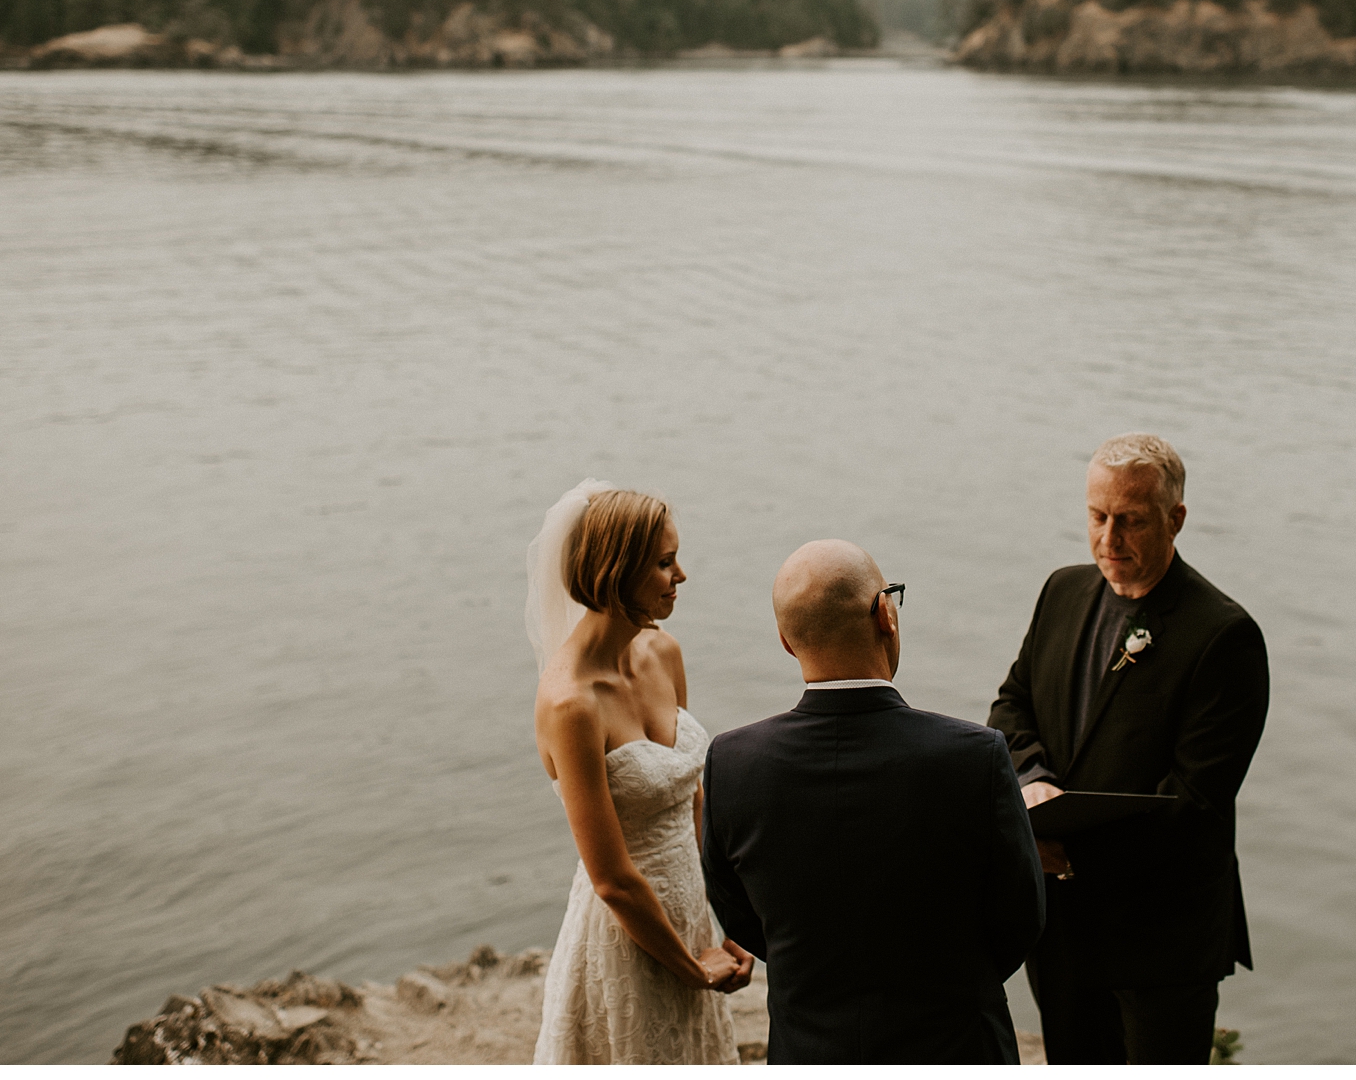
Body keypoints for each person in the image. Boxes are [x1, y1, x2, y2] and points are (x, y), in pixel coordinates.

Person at [701, 539, 1046, 1064]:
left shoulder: (733, 762)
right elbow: (1021, 914)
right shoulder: (973, 756)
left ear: (786, 641)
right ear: (885, 613)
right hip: (953, 1043)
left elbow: (741, 916)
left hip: (809, 1049)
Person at [988, 433, 1269, 1064]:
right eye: (1097, 517)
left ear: (1176, 519)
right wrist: (1031, 779)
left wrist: (1070, 853)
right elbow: (1012, 707)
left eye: (1131, 521)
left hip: (1161, 937)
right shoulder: (1062, 591)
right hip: (1062, 931)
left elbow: (1194, 802)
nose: (1109, 540)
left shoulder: (1223, 636)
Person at [528, 480, 754, 1065]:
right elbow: (611, 879)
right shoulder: (570, 703)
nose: (681, 576)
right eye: (664, 562)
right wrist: (691, 966)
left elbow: (693, 795)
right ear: (616, 570)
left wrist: (725, 923)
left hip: (693, 910)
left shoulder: (664, 654)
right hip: (627, 937)